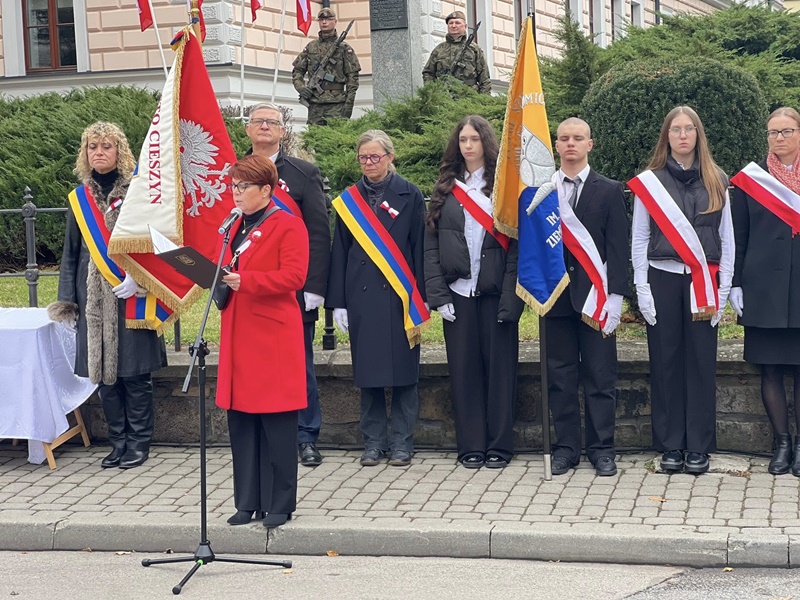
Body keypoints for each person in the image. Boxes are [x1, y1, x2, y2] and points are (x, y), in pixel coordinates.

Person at [48, 121, 167, 470]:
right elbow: (71, 252)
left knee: (134, 373)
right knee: (104, 374)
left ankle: (140, 442)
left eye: (106, 146)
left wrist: (141, 279)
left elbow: (157, 243)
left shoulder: (139, 191)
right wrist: (68, 302)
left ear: (120, 151)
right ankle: (118, 441)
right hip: (93, 298)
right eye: (92, 147)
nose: (98, 153)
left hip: (132, 291)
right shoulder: (79, 198)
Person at [629, 106, 733, 475]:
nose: (683, 135)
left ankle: (698, 447)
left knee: (701, 363)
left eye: (690, 129)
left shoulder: (716, 178)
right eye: (676, 129)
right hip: (663, 278)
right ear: (667, 136)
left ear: (698, 134)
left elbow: (727, 237)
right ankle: (671, 444)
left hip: (704, 280)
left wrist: (723, 289)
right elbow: (640, 237)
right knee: (666, 361)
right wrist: (641, 287)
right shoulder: (650, 181)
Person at [215, 154, 309, 528]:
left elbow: (295, 277)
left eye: (243, 187)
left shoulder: (288, 225)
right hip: (238, 334)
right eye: (233, 186)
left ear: (266, 190)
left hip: (271, 337)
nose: (235, 193)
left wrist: (248, 282)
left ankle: (280, 504)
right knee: (242, 422)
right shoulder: (232, 225)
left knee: (277, 423)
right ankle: (246, 501)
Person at [424, 116, 523, 469]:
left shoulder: (502, 188)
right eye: (463, 139)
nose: (468, 146)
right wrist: (439, 296)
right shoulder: (446, 188)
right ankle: (470, 444)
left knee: (500, 373)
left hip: (496, 293)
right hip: (458, 294)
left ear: (486, 143)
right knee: (464, 372)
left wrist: (512, 300)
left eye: (474, 139)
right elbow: (430, 247)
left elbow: (515, 248)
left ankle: (500, 444)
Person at [326, 130, 428, 468]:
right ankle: (373, 443)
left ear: (390, 157)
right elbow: (339, 250)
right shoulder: (349, 199)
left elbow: (420, 249)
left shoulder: (409, 194)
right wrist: (338, 300)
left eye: (376, 157)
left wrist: (421, 297)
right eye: (364, 157)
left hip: (399, 296)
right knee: (368, 374)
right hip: (362, 296)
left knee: (404, 376)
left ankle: (402, 442)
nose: (369, 163)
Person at [244, 103, 331, 468]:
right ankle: (260, 433)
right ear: (247, 130)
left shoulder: (302, 174)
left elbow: (318, 233)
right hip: (247, 290)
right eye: (257, 121)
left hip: (291, 291)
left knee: (299, 365)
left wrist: (315, 287)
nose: (264, 126)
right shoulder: (236, 173)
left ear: (283, 132)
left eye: (272, 122)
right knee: (254, 366)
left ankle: (305, 435)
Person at [544, 117, 630, 477]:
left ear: (590, 144)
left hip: (596, 298)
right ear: (557, 145)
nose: (570, 144)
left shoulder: (609, 190)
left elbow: (618, 246)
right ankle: (565, 448)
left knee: (599, 377)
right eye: (564, 139)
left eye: (578, 138)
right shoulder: (542, 191)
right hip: (555, 299)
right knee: (560, 379)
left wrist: (616, 298)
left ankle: (602, 449)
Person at [730, 107, 800, 476]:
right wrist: (736, 283)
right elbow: (738, 235)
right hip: (763, 286)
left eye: (787, 131)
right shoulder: (749, 179)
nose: (780, 138)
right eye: (773, 132)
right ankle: (782, 443)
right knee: (770, 369)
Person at [292, 7, 361, 126]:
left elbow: (352, 79)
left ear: (335, 21)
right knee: (314, 141)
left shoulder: (344, 48)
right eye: (321, 19)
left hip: (337, 104)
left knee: (335, 142)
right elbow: (297, 71)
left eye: (328, 19)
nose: (324, 22)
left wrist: (349, 105)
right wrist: (301, 87)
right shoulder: (311, 47)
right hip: (315, 104)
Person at [422, 11, 491, 94]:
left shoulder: (474, 49)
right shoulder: (439, 49)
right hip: (444, 97)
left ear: (465, 26)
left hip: (469, 98)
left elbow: (484, 78)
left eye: (457, 23)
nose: (454, 26)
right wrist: (432, 93)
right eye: (451, 23)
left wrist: (483, 100)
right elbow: (428, 73)